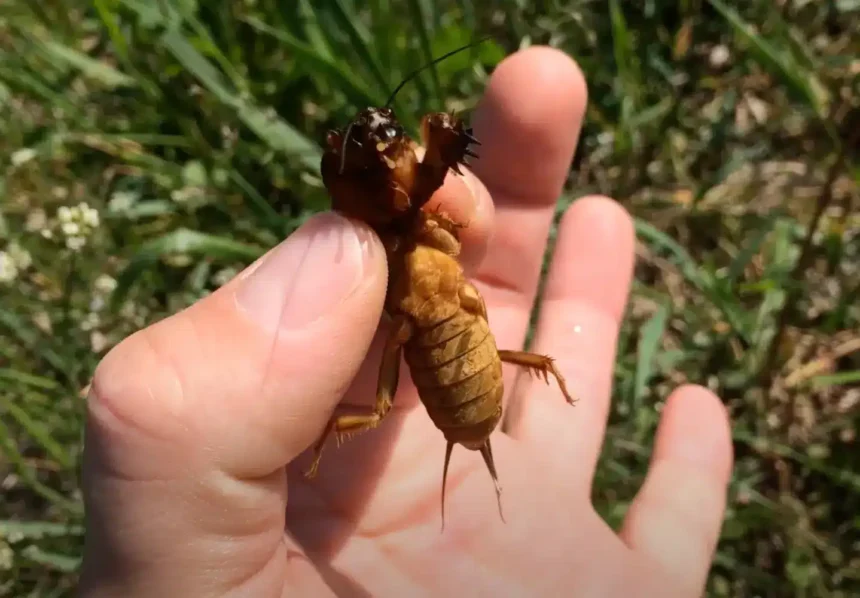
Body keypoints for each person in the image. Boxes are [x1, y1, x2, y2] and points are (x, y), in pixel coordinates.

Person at [79, 46, 732, 597]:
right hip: (443, 344)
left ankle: (533, 378)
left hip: (453, 344)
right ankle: (355, 438)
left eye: (385, 136)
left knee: (460, 307)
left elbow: (435, 173)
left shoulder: (417, 221)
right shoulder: (373, 239)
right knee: (426, 352)